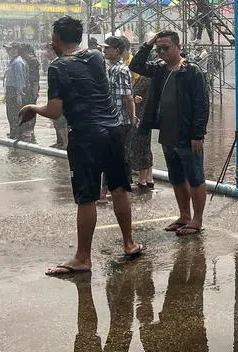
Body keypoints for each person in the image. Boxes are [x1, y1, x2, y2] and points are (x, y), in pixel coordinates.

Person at [19, 16, 144, 275]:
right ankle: (129, 243)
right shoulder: (96, 57)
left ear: (56, 38)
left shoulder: (57, 67)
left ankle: (82, 257)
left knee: (86, 197)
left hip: (86, 136)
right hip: (113, 131)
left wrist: (33, 107)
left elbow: (55, 111)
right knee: (120, 188)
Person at [131, 30, 211, 236]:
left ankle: (197, 219)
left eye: (165, 48)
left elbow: (201, 105)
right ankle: (184, 215)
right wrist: (148, 43)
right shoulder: (159, 70)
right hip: (167, 132)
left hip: (187, 134)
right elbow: (136, 65)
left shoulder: (192, 71)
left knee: (195, 177)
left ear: (178, 47)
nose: (161, 53)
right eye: (158, 49)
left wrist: (198, 134)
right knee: (176, 177)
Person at [100, 36, 135, 200]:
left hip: (120, 120)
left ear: (118, 51)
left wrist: (132, 117)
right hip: (115, 120)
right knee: (117, 156)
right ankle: (113, 190)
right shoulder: (111, 68)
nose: (105, 50)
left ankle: (119, 190)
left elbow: (127, 98)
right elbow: (126, 98)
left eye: (108, 48)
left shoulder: (120, 70)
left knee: (121, 156)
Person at [129, 69, 153, 190]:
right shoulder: (153, 78)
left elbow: (131, 96)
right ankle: (148, 178)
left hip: (140, 117)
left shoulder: (145, 78)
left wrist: (134, 97)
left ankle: (143, 179)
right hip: (148, 117)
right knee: (146, 146)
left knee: (139, 147)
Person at [3, 43, 29, 139]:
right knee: (10, 113)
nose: (8, 52)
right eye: (7, 50)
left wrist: (19, 94)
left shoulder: (18, 62)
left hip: (15, 91)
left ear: (16, 50)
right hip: (10, 90)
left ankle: (17, 134)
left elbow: (20, 79)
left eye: (9, 49)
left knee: (14, 113)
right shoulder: (13, 61)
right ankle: (13, 132)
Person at [20, 43, 41, 139]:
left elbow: (35, 77)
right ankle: (26, 129)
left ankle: (30, 129)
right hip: (27, 87)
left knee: (31, 108)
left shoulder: (32, 61)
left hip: (32, 87)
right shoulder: (26, 60)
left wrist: (35, 90)